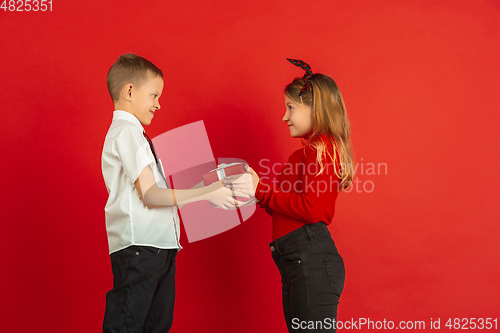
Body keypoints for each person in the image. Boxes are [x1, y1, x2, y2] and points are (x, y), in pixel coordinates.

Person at [101, 53, 251, 333]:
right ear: (130, 91)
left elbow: (159, 192)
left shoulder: (136, 135)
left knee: (156, 325)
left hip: (160, 246)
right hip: (140, 247)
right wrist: (207, 193)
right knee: (127, 325)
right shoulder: (126, 132)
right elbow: (150, 195)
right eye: (154, 95)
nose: (159, 104)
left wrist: (214, 185)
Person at [224, 59, 355, 332]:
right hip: (297, 263)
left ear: (314, 110)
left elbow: (311, 210)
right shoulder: (303, 154)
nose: (284, 116)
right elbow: (289, 205)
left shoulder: (320, 148)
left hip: (310, 261)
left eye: (291, 107)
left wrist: (261, 190)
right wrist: (256, 191)